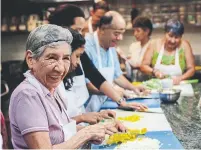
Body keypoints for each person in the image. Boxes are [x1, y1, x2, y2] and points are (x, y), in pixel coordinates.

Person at [9, 24, 122, 149]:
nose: (61, 68)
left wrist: (101, 128)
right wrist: (86, 134)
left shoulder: (51, 89)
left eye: (66, 58)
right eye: (52, 57)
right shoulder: (28, 95)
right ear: (31, 60)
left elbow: (62, 132)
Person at [49, 4, 148, 111]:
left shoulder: (77, 50)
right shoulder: (51, 58)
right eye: (77, 30)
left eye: (81, 30)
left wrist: (121, 101)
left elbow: (96, 76)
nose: (80, 35)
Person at [85, 11, 148, 112]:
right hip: (86, 109)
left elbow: (117, 75)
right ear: (102, 29)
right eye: (116, 33)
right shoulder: (87, 47)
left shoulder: (111, 46)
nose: (120, 38)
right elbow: (87, 85)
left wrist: (133, 88)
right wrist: (114, 92)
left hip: (102, 105)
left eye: (121, 34)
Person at [141, 19, 195, 85]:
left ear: (181, 37)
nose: (173, 41)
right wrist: (154, 72)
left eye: (177, 37)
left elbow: (191, 69)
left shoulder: (185, 45)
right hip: (158, 87)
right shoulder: (154, 44)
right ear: (165, 33)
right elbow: (143, 66)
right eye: (170, 36)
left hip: (179, 87)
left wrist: (180, 78)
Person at [127, 16, 153, 81]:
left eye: (138, 31)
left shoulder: (153, 46)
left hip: (149, 82)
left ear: (147, 31)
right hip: (134, 82)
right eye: (134, 31)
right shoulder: (133, 46)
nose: (135, 34)